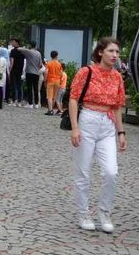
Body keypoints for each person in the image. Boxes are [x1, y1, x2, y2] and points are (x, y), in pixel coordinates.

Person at [69, 37, 127, 233]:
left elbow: (117, 106)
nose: (115, 55)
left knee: (111, 171)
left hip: (108, 124)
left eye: (117, 52)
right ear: (100, 52)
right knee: (83, 172)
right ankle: (83, 213)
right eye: (111, 51)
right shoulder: (86, 72)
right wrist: (75, 128)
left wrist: (121, 132)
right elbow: (74, 99)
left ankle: (104, 212)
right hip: (88, 120)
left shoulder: (117, 77)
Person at [19, 41, 44, 108]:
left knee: (29, 88)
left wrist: (26, 48)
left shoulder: (28, 51)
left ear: (30, 45)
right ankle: (36, 104)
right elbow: (40, 64)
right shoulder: (38, 53)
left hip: (29, 72)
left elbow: (19, 49)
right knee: (36, 88)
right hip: (36, 73)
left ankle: (30, 104)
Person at [44, 50, 62, 115]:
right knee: (54, 96)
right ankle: (51, 110)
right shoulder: (59, 64)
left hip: (50, 81)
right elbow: (61, 74)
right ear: (56, 56)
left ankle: (50, 110)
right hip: (57, 81)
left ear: (51, 56)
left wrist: (45, 80)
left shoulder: (49, 63)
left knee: (49, 96)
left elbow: (46, 72)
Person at [9, 38, 25, 107]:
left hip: (14, 70)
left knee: (14, 86)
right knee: (19, 86)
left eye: (13, 42)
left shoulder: (13, 51)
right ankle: (19, 101)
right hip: (20, 70)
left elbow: (12, 62)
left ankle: (14, 100)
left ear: (17, 43)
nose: (12, 43)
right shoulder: (23, 50)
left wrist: (10, 70)